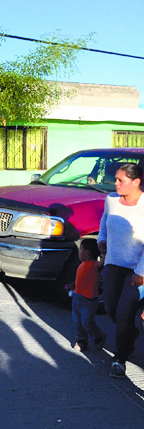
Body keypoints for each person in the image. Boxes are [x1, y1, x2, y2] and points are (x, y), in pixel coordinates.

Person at [97, 162, 144, 379]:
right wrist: (102, 240)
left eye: (120, 180)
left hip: (136, 271)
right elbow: (104, 222)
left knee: (124, 313)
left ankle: (120, 358)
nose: (115, 183)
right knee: (110, 309)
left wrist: (141, 272)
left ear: (136, 182)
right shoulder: (111, 200)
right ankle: (130, 334)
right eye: (115, 179)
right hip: (113, 265)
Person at [65, 239, 105, 352]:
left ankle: (98, 336)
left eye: (80, 250)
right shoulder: (82, 265)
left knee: (87, 321)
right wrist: (72, 285)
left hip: (89, 300)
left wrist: (104, 254)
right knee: (77, 321)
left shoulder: (94, 265)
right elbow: (79, 279)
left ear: (87, 252)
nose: (79, 252)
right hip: (77, 297)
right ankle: (82, 341)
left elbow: (101, 264)